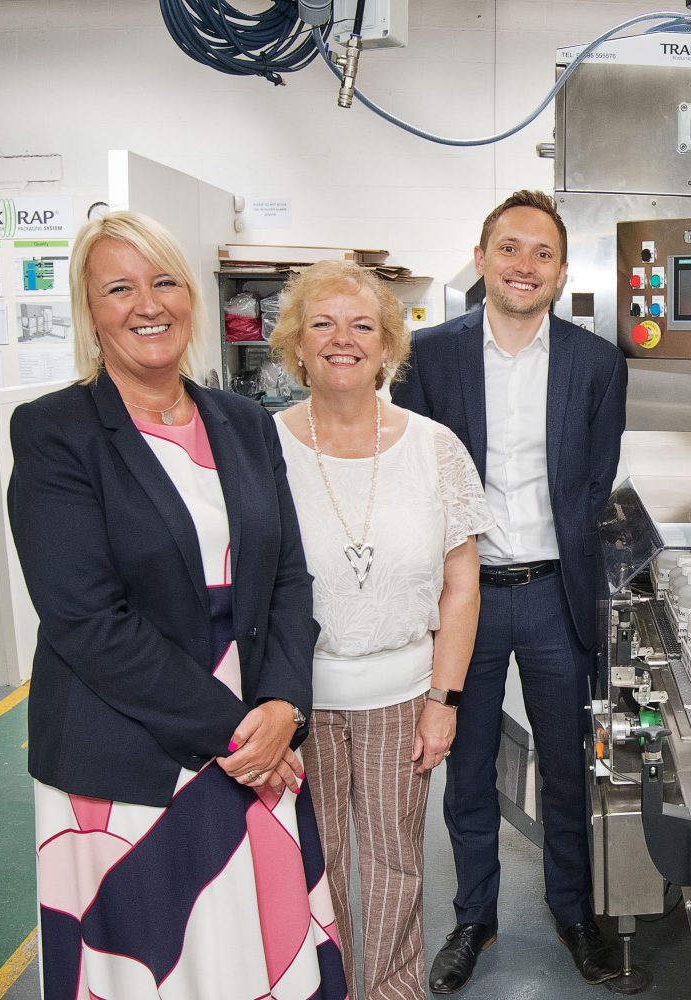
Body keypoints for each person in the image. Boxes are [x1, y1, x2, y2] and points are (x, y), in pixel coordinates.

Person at [7, 211, 347, 999]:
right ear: (90, 311)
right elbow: (86, 620)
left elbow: (289, 576)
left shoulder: (241, 421)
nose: (146, 304)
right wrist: (238, 731)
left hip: (260, 733)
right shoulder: (57, 433)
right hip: (132, 754)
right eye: (119, 288)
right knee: (157, 964)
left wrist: (285, 703)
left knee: (257, 954)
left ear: (190, 298)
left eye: (163, 282)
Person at [390, 190, 628, 994]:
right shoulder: (431, 357)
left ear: (561, 271)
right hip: (468, 600)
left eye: (543, 253)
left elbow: (593, 489)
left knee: (570, 765)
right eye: (510, 248)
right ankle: (474, 916)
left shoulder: (596, 364)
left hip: (558, 596)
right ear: (484, 255)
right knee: (468, 768)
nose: (525, 266)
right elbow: (414, 487)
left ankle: (573, 911)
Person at [268, 261, 492, 998]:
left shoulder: (434, 449)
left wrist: (443, 698)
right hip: (296, 703)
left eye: (362, 325)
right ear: (295, 345)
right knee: (314, 862)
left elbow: (461, 587)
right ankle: (322, 986)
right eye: (322, 324)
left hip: (402, 692)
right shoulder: (263, 449)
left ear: (389, 344)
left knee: (397, 861)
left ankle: (393, 989)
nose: (343, 340)